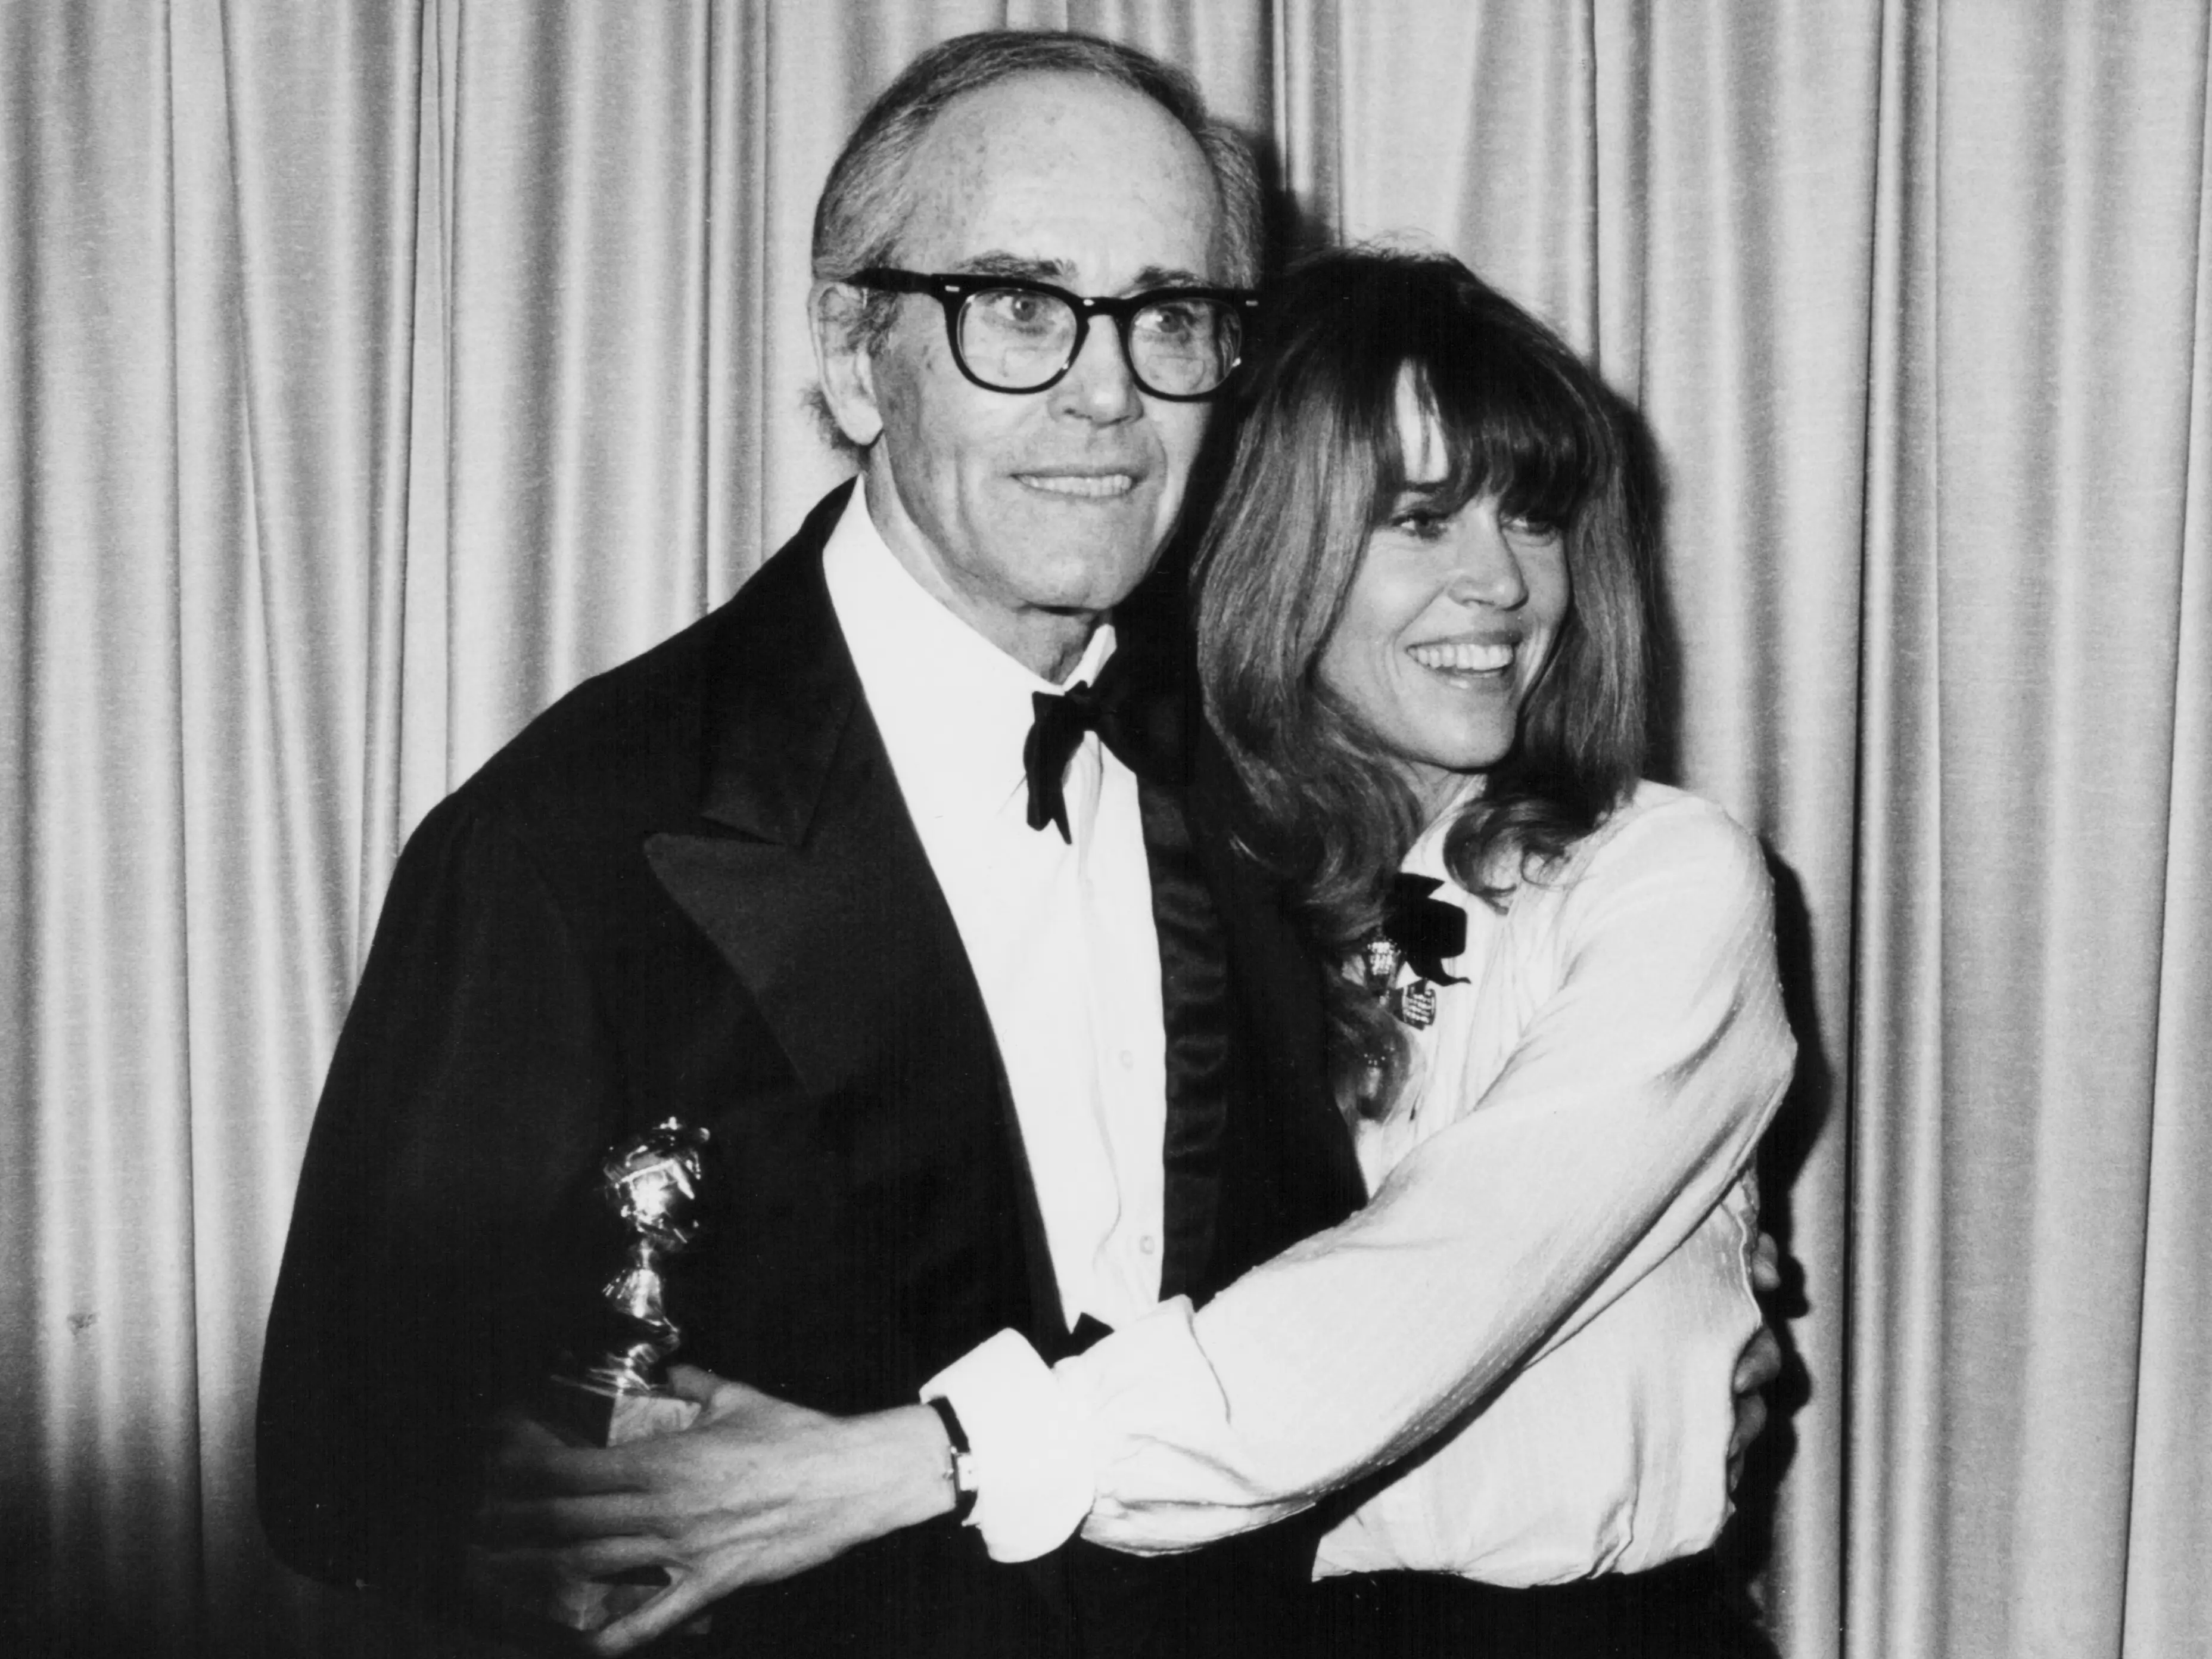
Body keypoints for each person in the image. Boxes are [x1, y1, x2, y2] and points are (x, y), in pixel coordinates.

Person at [259, 29, 1778, 1659]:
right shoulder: (575, 838)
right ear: (856, 355)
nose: (1106, 391)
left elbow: (1389, 1299)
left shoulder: (1262, 779)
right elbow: (357, 1461)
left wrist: (1652, 1380)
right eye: (1018, 306)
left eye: (1170, 315)